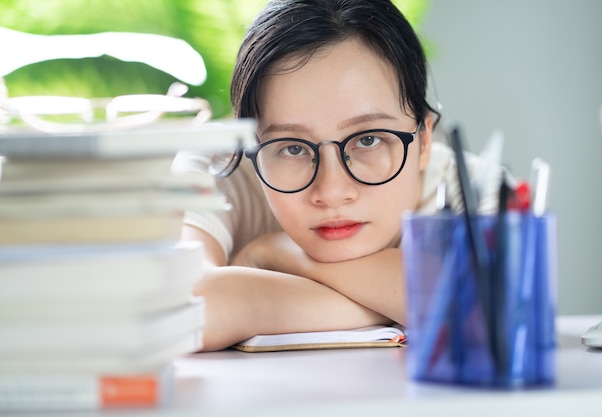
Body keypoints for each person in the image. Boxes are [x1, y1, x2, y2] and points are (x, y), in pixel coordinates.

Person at [176, 0, 495, 351]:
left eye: (368, 140)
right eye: (293, 148)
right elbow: (184, 308)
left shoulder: (472, 186)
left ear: (423, 140)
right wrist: (407, 304)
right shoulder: (223, 165)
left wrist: (275, 253)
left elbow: (492, 309)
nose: (331, 191)